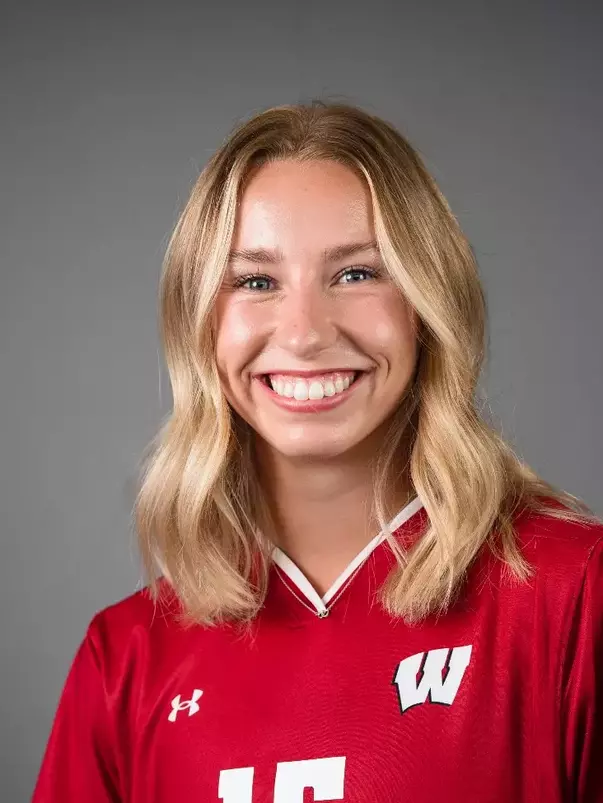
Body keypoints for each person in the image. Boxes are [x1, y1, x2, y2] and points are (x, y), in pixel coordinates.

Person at [32, 101, 603, 803]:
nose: (303, 333)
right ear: (197, 322)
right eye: (255, 281)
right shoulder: (124, 659)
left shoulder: (571, 592)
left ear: (429, 303)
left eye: (357, 273)